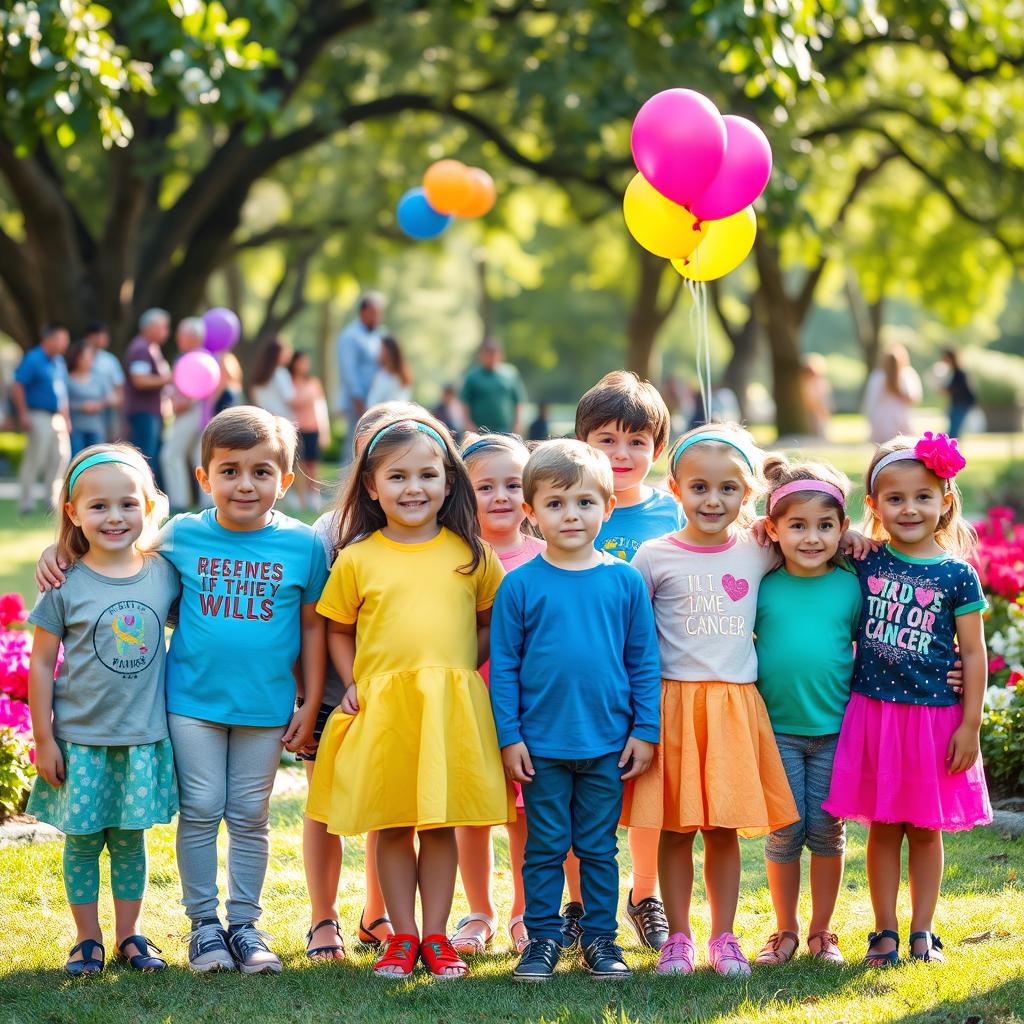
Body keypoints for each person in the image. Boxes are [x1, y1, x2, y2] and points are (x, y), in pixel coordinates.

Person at [37, 406, 330, 975]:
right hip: (190, 704)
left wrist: (310, 701)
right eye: (230, 471)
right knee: (200, 810)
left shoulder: (302, 546)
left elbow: (314, 626)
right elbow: (114, 558)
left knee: (250, 814)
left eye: (262, 472)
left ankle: (244, 924)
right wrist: (60, 552)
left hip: (266, 709)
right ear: (204, 478)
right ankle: (204, 928)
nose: (245, 484)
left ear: (286, 480)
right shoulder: (182, 537)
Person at [306, 414, 511, 980]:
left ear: (449, 482)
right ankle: (401, 936)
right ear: (372, 486)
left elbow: (491, 620)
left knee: (440, 824)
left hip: (447, 707)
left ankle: (438, 937)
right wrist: (353, 683)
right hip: (385, 710)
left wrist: (459, 670)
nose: (413, 488)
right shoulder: (358, 557)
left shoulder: (471, 553)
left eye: (427, 475)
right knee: (392, 824)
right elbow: (337, 627)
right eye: (397, 477)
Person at [622, 424, 799, 977]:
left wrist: (855, 541)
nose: (712, 500)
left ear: (747, 495)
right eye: (699, 487)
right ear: (675, 488)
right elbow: (627, 631)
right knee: (674, 828)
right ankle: (678, 936)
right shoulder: (653, 556)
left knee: (722, 829)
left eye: (727, 489)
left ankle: (724, 937)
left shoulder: (758, 550)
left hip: (732, 708)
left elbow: (811, 538)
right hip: (671, 706)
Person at [489, 440, 661, 982]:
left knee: (597, 849)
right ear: (532, 513)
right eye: (556, 503)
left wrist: (645, 729)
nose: (571, 515)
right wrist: (509, 736)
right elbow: (506, 668)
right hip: (540, 747)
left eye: (585, 503)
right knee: (543, 847)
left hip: (608, 745)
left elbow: (644, 661)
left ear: (607, 508)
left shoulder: (624, 581)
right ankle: (540, 940)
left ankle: (601, 940)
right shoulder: (518, 585)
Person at [823, 433, 991, 966]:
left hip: (935, 720)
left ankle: (923, 932)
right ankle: (884, 931)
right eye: (894, 498)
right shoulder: (866, 561)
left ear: (946, 498)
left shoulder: (956, 574)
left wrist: (971, 726)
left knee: (924, 830)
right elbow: (808, 535)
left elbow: (975, 653)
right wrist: (848, 530)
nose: (910, 508)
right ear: (873, 506)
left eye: (923, 495)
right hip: (875, 715)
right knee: (882, 828)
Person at [26, 444, 180, 976]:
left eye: (127, 505)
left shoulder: (164, 573)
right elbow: (42, 663)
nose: (114, 517)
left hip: (140, 739)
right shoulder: (63, 581)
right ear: (73, 512)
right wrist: (44, 739)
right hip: (80, 742)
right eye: (98, 507)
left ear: (148, 506)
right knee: (84, 843)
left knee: (131, 843)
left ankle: (130, 935)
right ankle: (87, 939)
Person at [299, 402, 427, 962]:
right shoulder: (331, 533)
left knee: (392, 807)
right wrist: (308, 698)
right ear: (364, 469)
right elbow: (312, 620)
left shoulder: (436, 527)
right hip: (335, 695)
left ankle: (378, 914)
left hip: (400, 696)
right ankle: (322, 919)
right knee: (323, 808)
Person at [567, 370, 683, 950]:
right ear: (582, 440)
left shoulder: (674, 513)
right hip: (579, 684)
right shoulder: (566, 507)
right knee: (573, 797)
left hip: (653, 679)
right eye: (606, 439)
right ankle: (580, 902)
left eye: (637, 441)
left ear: (657, 450)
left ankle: (645, 893)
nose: (621, 453)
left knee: (646, 797)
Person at [752, 458, 860, 966]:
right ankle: (785, 930)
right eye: (797, 526)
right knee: (785, 831)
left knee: (826, 830)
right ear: (774, 529)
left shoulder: (851, 581)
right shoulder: (762, 580)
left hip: (837, 730)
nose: (812, 537)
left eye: (826, 525)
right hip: (777, 731)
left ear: (843, 527)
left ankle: (822, 932)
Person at [451, 433, 544, 958]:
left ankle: (525, 910)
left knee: (525, 812)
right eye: (486, 487)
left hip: (531, 704)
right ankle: (479, 909)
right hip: (471, 697)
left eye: (513, 484)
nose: (502, 496)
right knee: (474, 810)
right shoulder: (456, 558)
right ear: (464, 493)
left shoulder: (546, 554)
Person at [12, 322, 71, 515]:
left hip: (57, 417)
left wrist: (66, 417)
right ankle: (25, 503)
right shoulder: (34, 358)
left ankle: (51, 500)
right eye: (62, 339)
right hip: (37, 414)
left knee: (60, 457)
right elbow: (18, 385)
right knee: (35, 458)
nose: (65, 343)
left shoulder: (59, 361)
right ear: (49, 339)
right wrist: (22, 414)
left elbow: (61, 393)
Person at [160, 317, 206, 513]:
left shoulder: (197, 359)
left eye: (182, 334)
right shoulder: (194, 357)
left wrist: (180, 403)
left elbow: (195, 392)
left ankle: (179, 501)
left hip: (192, 414)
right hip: (199, 416)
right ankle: (207, 502)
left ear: (192, 337)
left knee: (170, 455)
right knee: (199, 457)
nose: (178, 337)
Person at [123, 309, 172, 480]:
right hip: (143, 412)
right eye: (163, 327)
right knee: (144, 455)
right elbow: (140, 380)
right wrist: (168, 379)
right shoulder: (141, 349)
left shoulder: (152, 348)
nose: (167, 331)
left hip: (152, 412)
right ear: (150, 327)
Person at [336, 293, 384, 461]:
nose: (377, 318)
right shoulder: (350, 336)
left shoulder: (379, 335)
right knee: (354, 443)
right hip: (359, 402)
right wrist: (359, 403)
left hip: (376, 401)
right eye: (374, 313)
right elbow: (348, 371)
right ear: (363, 312)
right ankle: (345, 484)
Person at [289, 351, 330, 513]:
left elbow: (321, 408)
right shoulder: (289, 383)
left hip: (313, 428)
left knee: (313, 465)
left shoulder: (313, 383)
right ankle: (301, 500)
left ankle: (314, 499)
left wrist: (324, 431)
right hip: (297, 429)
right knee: (300, 465)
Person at [460, 338, 527, 434]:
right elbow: (464, 402)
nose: (491, 357)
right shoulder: (473, 376)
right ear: (482, 355)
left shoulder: (510, 374)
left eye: (494, 353)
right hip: (479, 431)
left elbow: (518, 401)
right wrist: (467, 423)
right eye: (488, 354)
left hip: (505, 430)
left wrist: (518, 423)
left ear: (500, 355)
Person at [863, 344, 922, 444]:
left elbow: (871, 400)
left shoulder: (877, 376)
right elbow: (914, 398)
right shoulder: (907, 375)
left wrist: (870, 418)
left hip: (881, 420)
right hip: (901, 418)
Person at [82, 323, 125, 441]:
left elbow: (119, 385)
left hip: (108, 407)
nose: (102, 340)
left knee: (110, 440)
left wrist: (117, 403)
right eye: (98, 336)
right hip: (84, 407)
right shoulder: (79, 357)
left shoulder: (110, 360)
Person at [65, 340, 108, 455]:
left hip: (96, 427)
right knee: (77, 459)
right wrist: (81, 407)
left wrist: (99, 405)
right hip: (76, 428)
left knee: (96, 461)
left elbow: (108, 398)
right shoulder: (68, 379)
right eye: (85, 357)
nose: (88, 360)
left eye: (90, 357)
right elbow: (63, 403)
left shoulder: (99, 378)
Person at [250, 336, 297, 421]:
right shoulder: (281, 372)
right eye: (285, 352)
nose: (289, 354)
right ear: (277, 354)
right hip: (283, 421)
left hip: (265, 420)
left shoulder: (260, 374)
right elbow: (290, 399)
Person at [366, 334, 413, 407]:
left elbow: (372, 403)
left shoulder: (385, 377)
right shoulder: (402, 375)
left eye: (381, 350)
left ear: (388, 352)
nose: (378, 353)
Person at [940, 349, 976, 439]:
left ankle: (952, 450)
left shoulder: (959, 373)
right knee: (953, 431)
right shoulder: (954, 372)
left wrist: (948, 389)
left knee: (953, 431)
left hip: (961, 404)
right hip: (957, 404)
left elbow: (962, 389)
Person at [800, 354, 833, 439]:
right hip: (813, 413)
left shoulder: (821, 382)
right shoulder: (807, 384)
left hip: (819, 413)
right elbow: (810, 400)